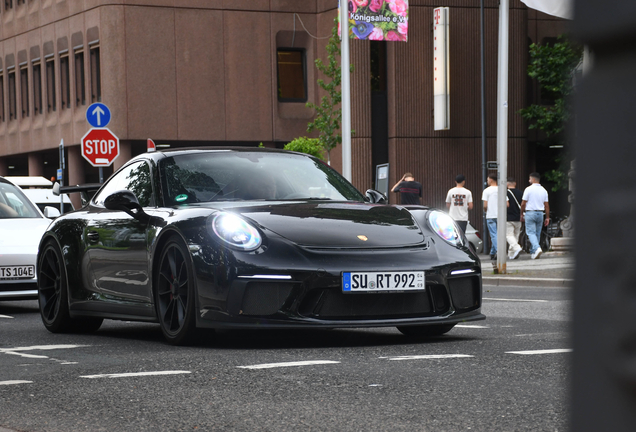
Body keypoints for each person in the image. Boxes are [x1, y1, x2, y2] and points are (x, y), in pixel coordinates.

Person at [520, 172, 550, 259]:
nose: (529, 180)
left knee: (530, 232)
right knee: (537, 232)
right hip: (540, 213)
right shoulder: (544, 190)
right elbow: (546, 205)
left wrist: (521, 213)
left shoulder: (528, 189)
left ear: (533, 179)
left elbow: (523, 203)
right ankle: (534, 252)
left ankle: (537, 248)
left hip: (530, 212)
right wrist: (547, 217)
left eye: (529, 179)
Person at [482, 173, 508, 260]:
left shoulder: (486, 191)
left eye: (487, 179)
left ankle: (499, 251)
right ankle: (492, 253)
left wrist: (486, 211)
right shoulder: (501, 190)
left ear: (491, 180)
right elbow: (507, 204)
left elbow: (485, 205)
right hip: (500, 216)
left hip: (490, 215)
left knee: (494, 235)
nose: (487, 181)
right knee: (498, 235)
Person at [506, 177, 524, 259]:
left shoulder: (505, 193)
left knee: (509, 235)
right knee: (516, 236)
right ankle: (511, 254)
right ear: (515, 183)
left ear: (507, 184)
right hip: (518, 217)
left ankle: (517, 248)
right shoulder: (520, 193)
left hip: (508, 217)